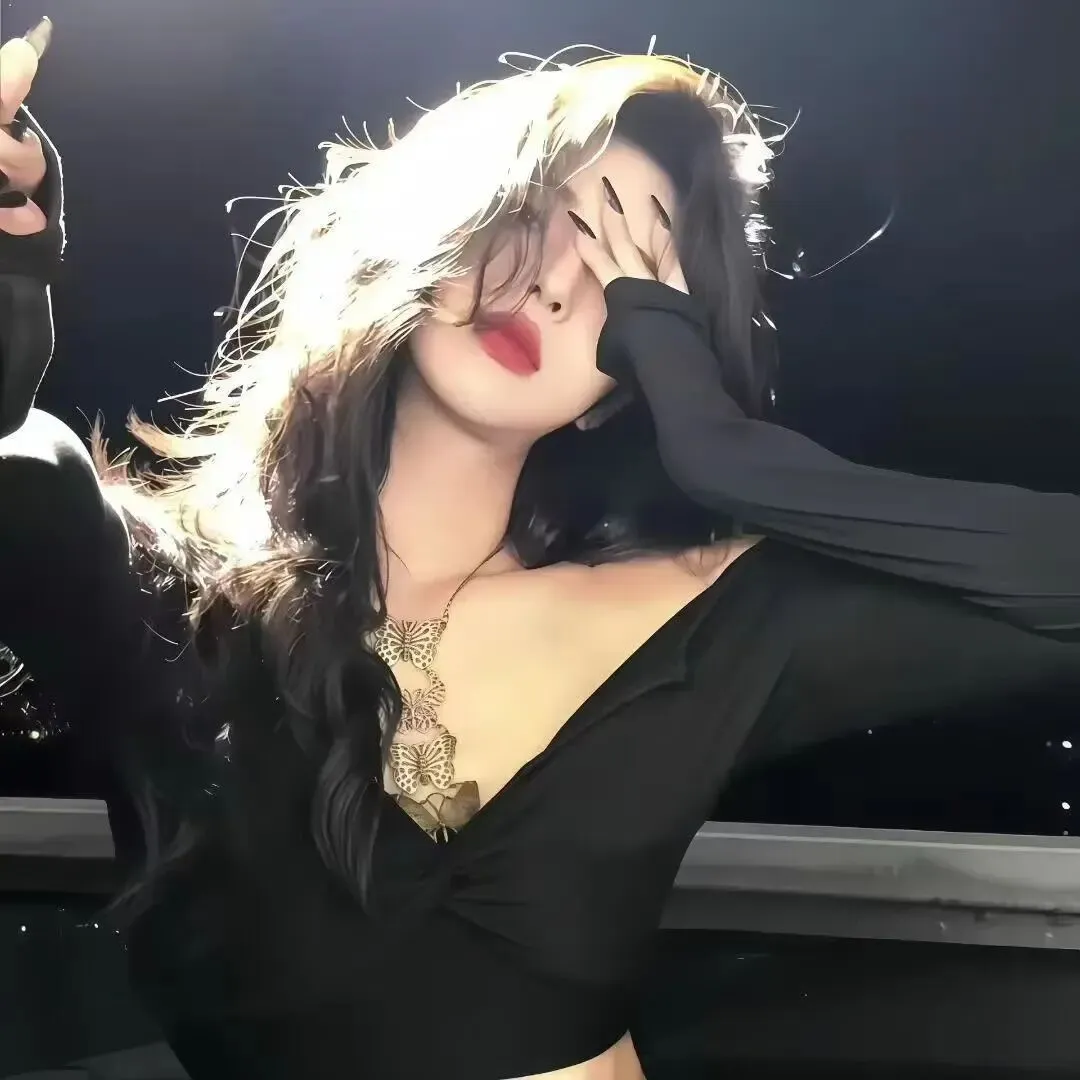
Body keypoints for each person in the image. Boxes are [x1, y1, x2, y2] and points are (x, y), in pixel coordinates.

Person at [3, 18, 1080, 1080]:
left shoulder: (697, 622)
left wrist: (738, 460)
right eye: (535, 215)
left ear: (637, 369)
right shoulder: (156, 601)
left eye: (626, 278)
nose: (557, 283)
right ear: (441, 224)